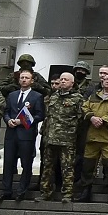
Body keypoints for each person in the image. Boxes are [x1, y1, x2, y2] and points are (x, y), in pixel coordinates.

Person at [76, 70, 108, 203]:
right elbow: (84, 107)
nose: (107, 81)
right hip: (92, 137)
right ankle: (86, 192)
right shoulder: (93, 96)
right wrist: (92, 117)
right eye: (105, 79)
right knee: (88, 166)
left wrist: (104, 120)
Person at [0, 69, 45, 201]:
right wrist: (8, 120)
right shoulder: (12, 95)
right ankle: (6, 191)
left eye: (27, 78)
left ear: (32, 81)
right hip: (11, 134)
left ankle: (21, 191)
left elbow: (40, 115)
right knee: (8, 163)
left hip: (26, 135)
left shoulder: (37, 96)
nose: (24, 80)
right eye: (22, 77)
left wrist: (23, 121)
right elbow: (6, 111)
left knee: (26, 163)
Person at [40, 71, 82, 202]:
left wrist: (74, 132)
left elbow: (81, 119)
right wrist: (44, 132)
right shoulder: (53, 97)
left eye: (65, 80)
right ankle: (46, 192)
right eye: (61, 79)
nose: (62, 81)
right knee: (47, 167)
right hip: (50, 137)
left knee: (67, 168)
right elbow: (48, 116)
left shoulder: (78, 98)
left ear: (72, 83)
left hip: (67, 139)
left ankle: (67, 194)